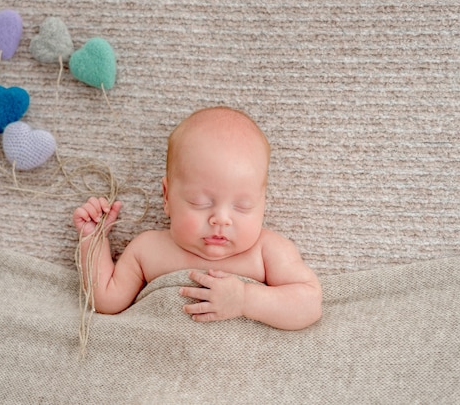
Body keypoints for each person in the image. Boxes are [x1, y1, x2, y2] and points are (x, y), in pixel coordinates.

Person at [73, 106, 322, 330]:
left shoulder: (267, 251)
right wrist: (93, 240)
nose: (221, 219)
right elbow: (105, 300)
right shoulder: (148, 250)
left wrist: (245, 299)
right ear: (167, 196)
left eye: (243, 206)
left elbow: (309, 304)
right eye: (200, 203)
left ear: (262, 204)